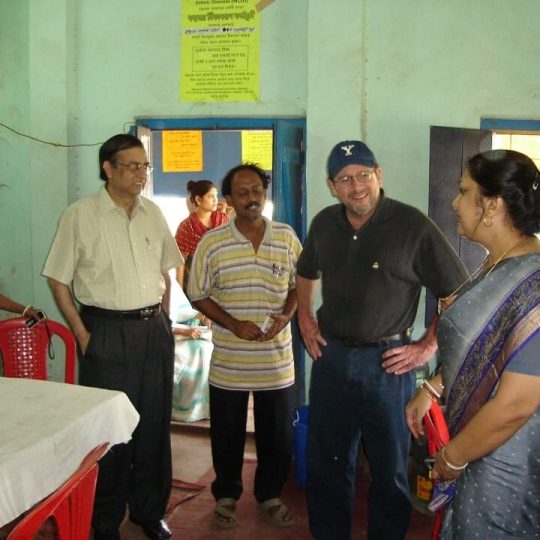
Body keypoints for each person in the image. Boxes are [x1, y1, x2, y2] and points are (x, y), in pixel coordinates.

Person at [296, 140, 468, 540]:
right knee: (328, 464)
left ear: (379, 175)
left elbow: (455, 291)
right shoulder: (324, 223)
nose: (356, 187)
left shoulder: (412, 225)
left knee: (390, 469)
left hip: (389, 363)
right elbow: (306, 271)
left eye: (363, 175)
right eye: (345, 179)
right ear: (332, 185)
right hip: (331, 358)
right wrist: (305, 315)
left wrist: (428, 345)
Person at [43, 133, 182, 540]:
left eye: (145, 166)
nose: (141, 174)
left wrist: (166, 320)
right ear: (108, 168)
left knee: (154, 426)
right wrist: (84, 336)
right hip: (106, 332)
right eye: (132, 166)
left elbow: (167, 271)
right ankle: (104, 521)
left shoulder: (152, 213)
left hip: (153, 332)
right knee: (110, 432)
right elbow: (57, 279)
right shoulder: (80, 215)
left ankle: (148, 512)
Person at [406, 149, 540, 540]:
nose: (453, 201)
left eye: (464, 190)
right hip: (477, 442)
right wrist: (433, 387)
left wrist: (453, 456)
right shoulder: (497, 264)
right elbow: (486, 347)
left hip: (507, 455)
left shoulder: (533, 285)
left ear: (492, 206)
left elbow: (516, 404)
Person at [188, 163, 302, 529]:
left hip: (276, 361)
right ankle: (226, 494)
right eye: (243, 192)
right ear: (229, 200)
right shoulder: (212, 243)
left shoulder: (286, 237)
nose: (252, 198)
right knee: (226, 434)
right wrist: (233, 323)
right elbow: (197, 294)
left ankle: (269, 493)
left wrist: (286, 314)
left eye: (257, 190)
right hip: (230, 363)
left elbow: (302, 285)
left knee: (277, 437)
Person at [170, 282, 213, 422]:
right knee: (199, 350)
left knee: (209, 346)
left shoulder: (170, 283)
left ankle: (203, 407)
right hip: (169, 336)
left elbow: (182, 311)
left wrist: (201, 315)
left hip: (186, 330)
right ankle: (186, 408)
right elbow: (160, 321)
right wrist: (184, 331)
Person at [174, 180, 229, 292]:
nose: (215, 200)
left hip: (220, 280)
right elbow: (180, 262)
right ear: (198, 200)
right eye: (210, 196)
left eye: (216, 196)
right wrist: (179, 291)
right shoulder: (186, 227)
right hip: (194, 282)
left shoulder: (223, 220)